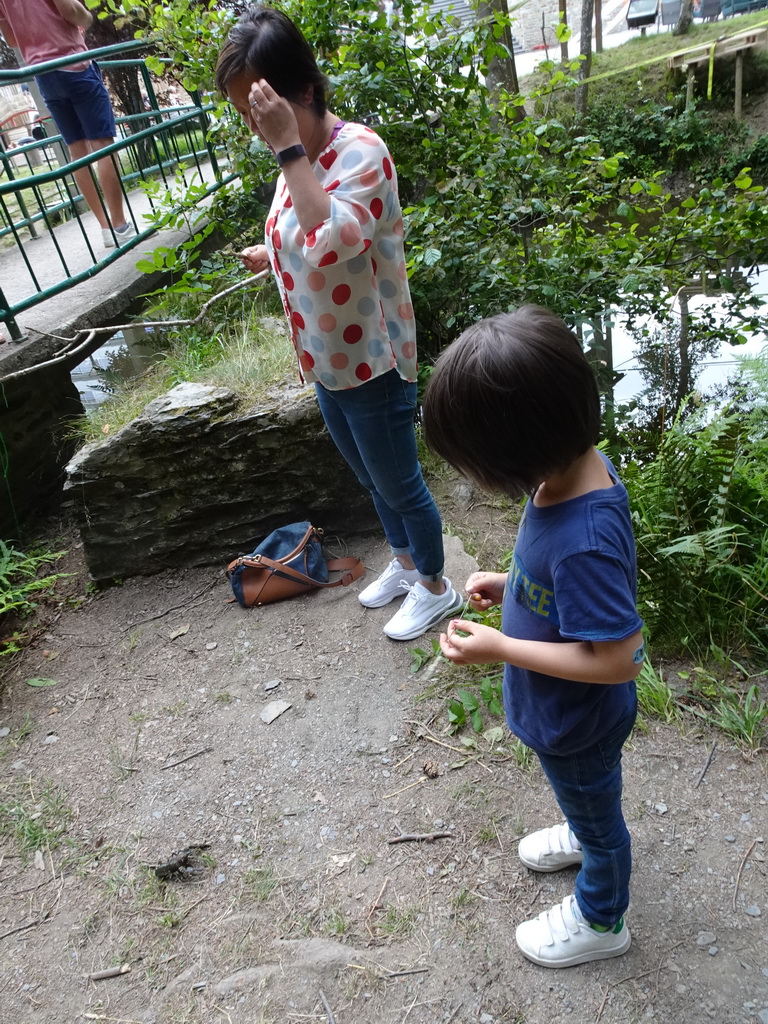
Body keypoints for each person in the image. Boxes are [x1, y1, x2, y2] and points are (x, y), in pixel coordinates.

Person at [214, 5, 463, 642]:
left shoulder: (358, 151)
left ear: (304, 88)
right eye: (248, 110)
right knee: (369, 478)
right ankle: (407, 565)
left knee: (400, 483)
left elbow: (332, 239)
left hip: (373, 360)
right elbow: (300, 228)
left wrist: (288, 148)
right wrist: (268, 251)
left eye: (262, 104)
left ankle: (437, 586)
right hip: (327, 360)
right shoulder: (292, 155)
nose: (257, 122)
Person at [421, 306, 645, 968]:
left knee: (604, 825)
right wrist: (509, 581)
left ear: (518, 451)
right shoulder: (566, 472)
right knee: (583, 801)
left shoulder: (586, 538)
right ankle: (580, 827)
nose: (475, 480)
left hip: (578, 720)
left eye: (476, 466)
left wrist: (503, 647)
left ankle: (602, 919)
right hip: (563, 714)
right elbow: (558, 577)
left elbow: (618, 658)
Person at [0, 0, 136, 248]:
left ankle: (105, 228)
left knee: (76, 149)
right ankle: (121, 227)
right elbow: (72, 12)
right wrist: (87, 19)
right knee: (103, 146)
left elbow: (11, 39)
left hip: (43, 74)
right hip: (75, 65)